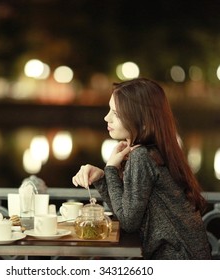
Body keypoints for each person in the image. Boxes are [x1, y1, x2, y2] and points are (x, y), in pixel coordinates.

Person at [72, 77, 211, 259]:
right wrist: (102, 179)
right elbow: (126, 211)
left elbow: (129, 222)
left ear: (141, 120)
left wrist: (111, 169)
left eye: (116, 113)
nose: (107, 117)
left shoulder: (142, 156)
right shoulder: (154, 151)